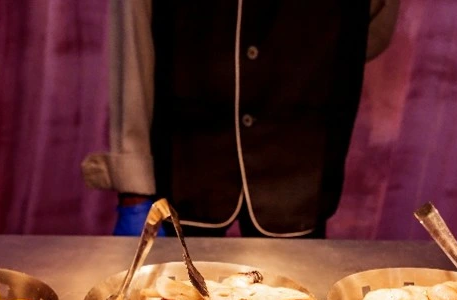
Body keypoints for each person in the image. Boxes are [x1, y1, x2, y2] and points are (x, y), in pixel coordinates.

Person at [82, 0, 399, 238]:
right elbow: (133, 33)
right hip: (186, 160)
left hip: (301, 164)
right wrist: (133, 182)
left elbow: (367, 28)